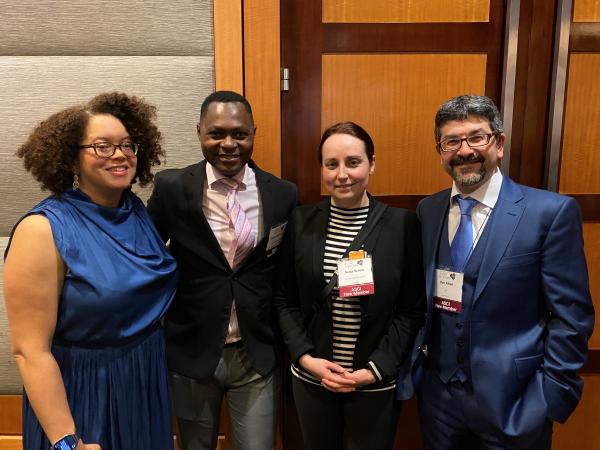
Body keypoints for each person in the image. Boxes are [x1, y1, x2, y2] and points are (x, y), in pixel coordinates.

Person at [409, 94, 595, 450]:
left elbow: (572, 317)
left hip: (516, 404)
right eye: (452, 141)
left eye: (477, 137)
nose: (465, 150)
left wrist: (549, 397)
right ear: (440, 150)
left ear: (500, 142)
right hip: (439, 403)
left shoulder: (549, 213)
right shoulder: (428, 211)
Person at [3, 92, 179, 450]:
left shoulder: (136, 211)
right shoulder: (43, 229)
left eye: (128, 145)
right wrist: (67, 441)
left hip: (143, 382)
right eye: (102, 146)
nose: (119, 154)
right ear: (71, 157)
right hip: (83, 394)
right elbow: (29, 351)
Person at [147, 90, 298, 450]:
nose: (228, 144)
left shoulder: (282, 194)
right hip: (192, 349)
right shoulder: (171, 188)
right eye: (216, 133)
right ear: (199, 131)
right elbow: (147, 258)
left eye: (239, 133)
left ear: (253, 133)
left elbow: (287, 272)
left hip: (255, 352)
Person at [274, 121, 426, 450]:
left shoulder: (402, 225)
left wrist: (376, 368)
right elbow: (284, 299)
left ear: (372, 163)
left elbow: (412, 308)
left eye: (353, 162)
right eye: (332, 164)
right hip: (313, 378)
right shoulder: (302, 221)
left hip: (373, 381)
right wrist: (305, 358)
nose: (342, 174)